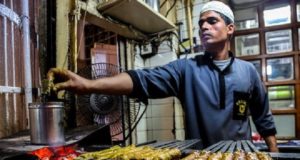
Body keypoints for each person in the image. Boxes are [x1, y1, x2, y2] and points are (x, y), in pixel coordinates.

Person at [47, 1, 278, 152]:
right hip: (199, 157)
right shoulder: (186, 69)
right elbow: (141, 79)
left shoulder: (247, 72)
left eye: (212, 21)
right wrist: (89, 85)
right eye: (201, 23)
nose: (204, 27)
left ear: (230, 29)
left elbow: (263, 118)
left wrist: (274, 153)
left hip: (240, 157)